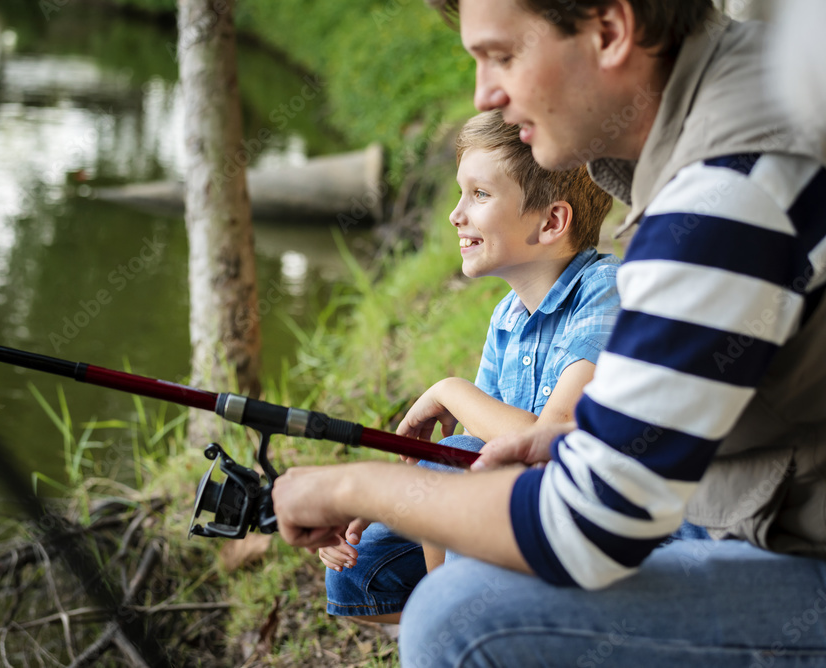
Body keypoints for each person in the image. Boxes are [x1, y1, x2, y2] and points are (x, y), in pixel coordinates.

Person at [271, 0, 826, 665]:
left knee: (459, 620)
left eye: (503, 56)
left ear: (610, 31)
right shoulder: (740, 104)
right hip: (755, 517)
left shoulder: (720, 195)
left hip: (795, 558)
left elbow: (588, 528)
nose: (486, 93)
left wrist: (347, 486)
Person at [318, 110, 620, 623]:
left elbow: (552, 437)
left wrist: (449, 390)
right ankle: (482, 625)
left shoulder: (604, 290)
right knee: (359, 566)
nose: (456, 215)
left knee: (455, 458)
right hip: (515, 516)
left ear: (551, 222)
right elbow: (484, 444)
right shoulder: (507, 317)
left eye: (479, 195)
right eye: (461, 194)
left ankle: (455, 625)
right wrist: (383, 497)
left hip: (585, 521)